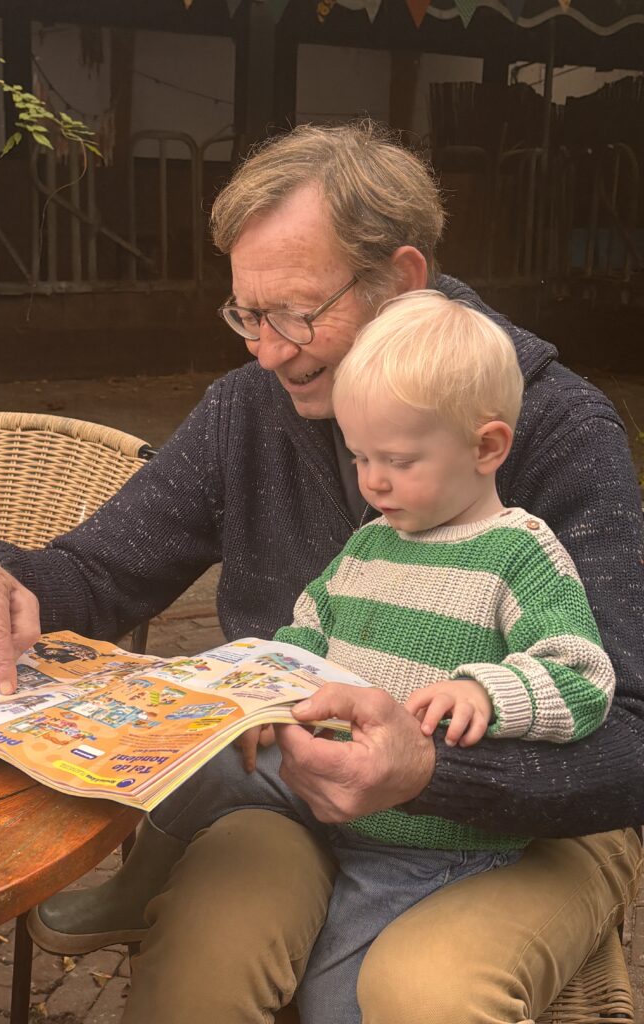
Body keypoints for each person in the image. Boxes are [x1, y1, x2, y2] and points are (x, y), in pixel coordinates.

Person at [0, 122, 644, 1024]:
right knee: (210, 953)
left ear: (402, 281)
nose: (265, 350)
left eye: (294, 314)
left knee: (426, 990)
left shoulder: (557, 427)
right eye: (246, 316)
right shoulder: (250, 409)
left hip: (521, 830)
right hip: (305, 788)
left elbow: (629, 738)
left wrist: (428, 771)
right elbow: (101, 569)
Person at [112, 290, 616, 1024]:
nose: (372, 481)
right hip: (330, 796)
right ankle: (134, 886)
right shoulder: (374, 540)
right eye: (360, 457)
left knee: (333, 999)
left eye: (398, 460)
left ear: (487, 447)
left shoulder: (519, 552)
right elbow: (313, 621)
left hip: (432, 848)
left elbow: (582, 673)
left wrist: (487, 691)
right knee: (205, 755)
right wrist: (266, 685)